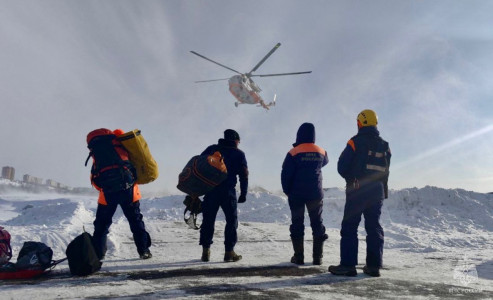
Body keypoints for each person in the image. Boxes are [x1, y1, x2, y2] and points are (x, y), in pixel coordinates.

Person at [329, 109, 391, 277]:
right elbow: (386, 171)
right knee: (373, 227)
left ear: (360, 123)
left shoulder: (354, 142)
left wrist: (352, 179)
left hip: (357, 190)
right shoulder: (385, 146)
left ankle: (348, 266)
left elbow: (342, 166)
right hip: (376, 192)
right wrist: (382, 190)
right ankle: (373, 266)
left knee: (350, 227)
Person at [89, 128, 152, 260]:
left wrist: (104, 188)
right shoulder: (119, 143)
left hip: (107, 193)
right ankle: (144, 251)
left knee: (102, 225)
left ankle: (98, 254)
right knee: (135, 221)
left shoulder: (98, 152)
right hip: (129, 191)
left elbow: (95, 179)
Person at [281, 123, 329, 265]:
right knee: (317, 223)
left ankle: (299, 257)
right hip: (315, 193)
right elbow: (324, 162)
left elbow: (286, 173)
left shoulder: (293, 152)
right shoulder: (322, 151)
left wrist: (287, 190)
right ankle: (317, 258)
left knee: (297, 223)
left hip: (297, 194)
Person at [199, 129, 249, 262]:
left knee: (208, 221)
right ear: (235, 140)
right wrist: (243, 193)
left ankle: (206, 251)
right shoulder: (239, 154)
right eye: (238, 141)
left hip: (211, 190)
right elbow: (244, 175)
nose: (239, 143)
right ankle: (229, 252)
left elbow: (199, 165)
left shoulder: (211, 149)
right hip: (228, 192)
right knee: (231, 221)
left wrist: (197, 188)